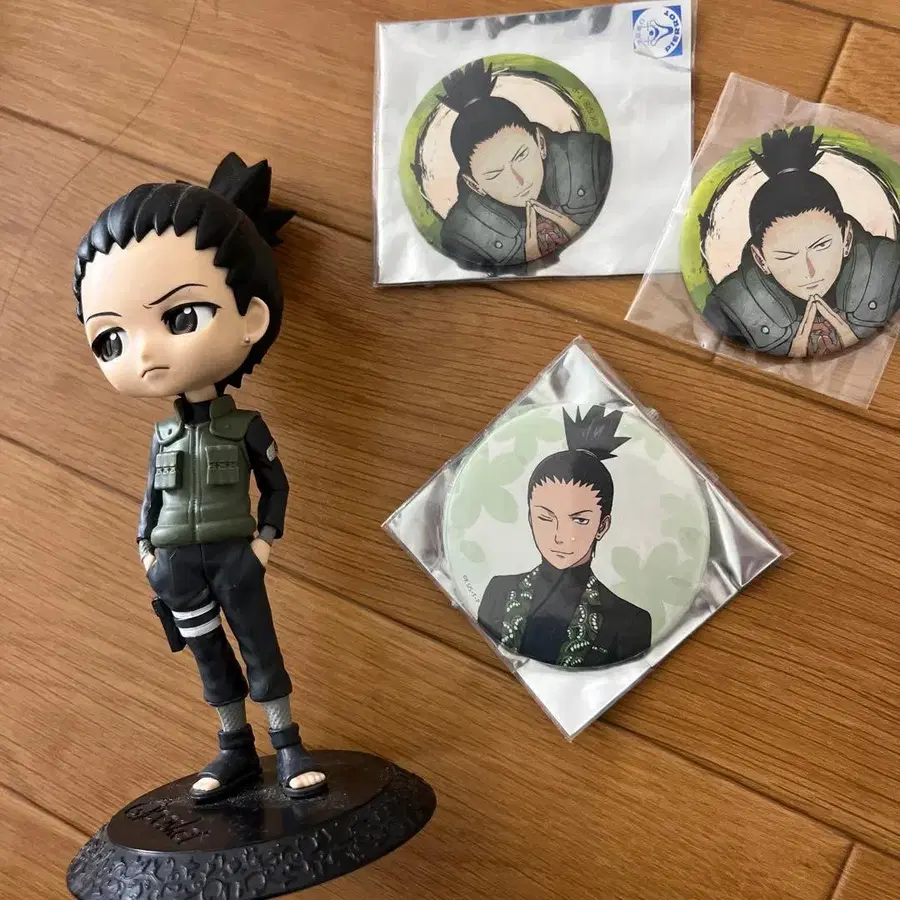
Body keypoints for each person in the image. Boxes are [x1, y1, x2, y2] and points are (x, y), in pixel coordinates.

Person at [72, 153, 327, 803]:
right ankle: (234, 747)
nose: (144, 352)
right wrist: (146, 550)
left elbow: (277, 485)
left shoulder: (246, 428)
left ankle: (287, 743)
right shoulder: (162, 436)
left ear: (252, 318)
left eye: (181, 317)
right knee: (209, 658)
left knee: (260, 648)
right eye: (110, 340)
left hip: (236, 554)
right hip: (175, 565)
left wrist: (265, 540)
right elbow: (151, 498)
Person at [702, 126, 900, 358]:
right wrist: (791, 348)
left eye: (821, 246)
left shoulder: (891, 269)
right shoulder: (729, 308)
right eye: (786, 256)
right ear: (760, 259)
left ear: (846, 238)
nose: (809, 270)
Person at [478, 406, 652, 668]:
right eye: (545, 518)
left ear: (602, 526)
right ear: (530, 517)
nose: (560, 537)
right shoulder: (498, 592)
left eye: (579, 520)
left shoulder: (629, 622)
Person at [436, 60, 612, 270]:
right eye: (495, 174)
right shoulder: (463, 238)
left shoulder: (592, 159)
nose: (518, 180)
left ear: (540, 142)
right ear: (474, 184)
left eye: (521, 156)